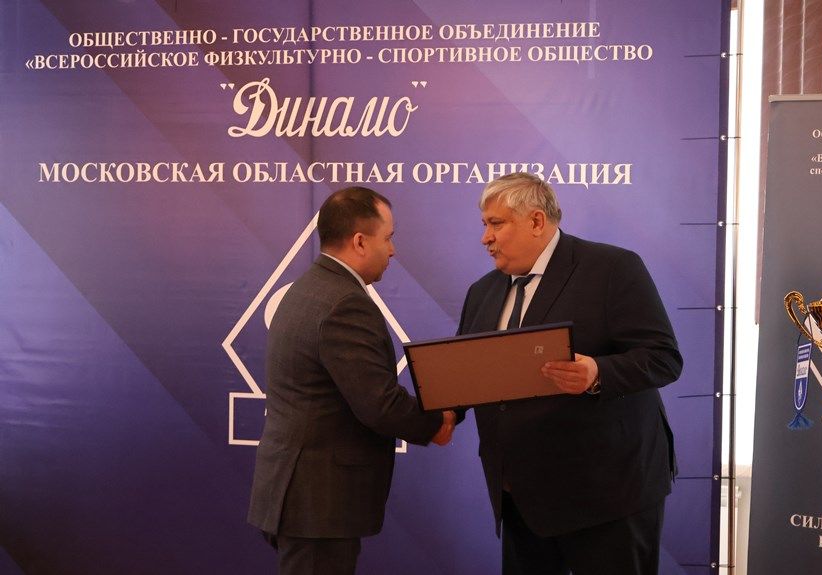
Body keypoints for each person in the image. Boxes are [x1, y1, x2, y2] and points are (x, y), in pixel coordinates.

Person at [457, 172, 683, 575]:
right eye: (485, 225)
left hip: (609, 497)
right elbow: (468, 373)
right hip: (522, 500)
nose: (485, 238)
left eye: (496, 224)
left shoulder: (612, 268)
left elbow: (663, 357)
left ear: (536, 221)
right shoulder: (482, 291)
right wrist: (442, 410)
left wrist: (597, 372)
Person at [247, 186, 455, 575]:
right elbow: (379, 404)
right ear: (360, 241)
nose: (393, 251)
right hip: (317, 504)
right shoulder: (345, 303)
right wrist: (436, 424)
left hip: (299, 495)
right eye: (388, 238)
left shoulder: (305, 289)